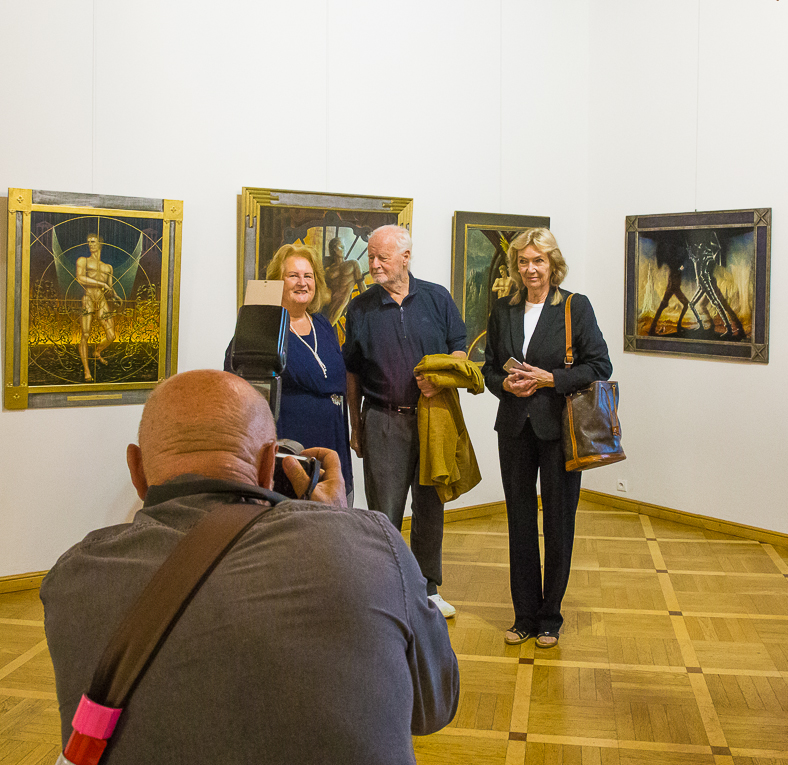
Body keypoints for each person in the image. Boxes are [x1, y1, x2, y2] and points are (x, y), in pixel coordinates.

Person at [41, 370, 459, 765]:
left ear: (137, 470)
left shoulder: (72, 578)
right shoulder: (373, 543)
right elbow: (433, 708)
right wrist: (338, 522)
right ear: (267, 466)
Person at [481, 228, 612, 648]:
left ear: (553, 263)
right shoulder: (503, 310)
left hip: (560, 430)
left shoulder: (576, 307)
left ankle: (550, 617)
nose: (530, 269)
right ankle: (524, 616)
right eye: (523, 262)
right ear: (515, 267)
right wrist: (506, 385)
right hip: (514, 428)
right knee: (519, 523)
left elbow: (600, 365)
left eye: (538, 261)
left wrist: (552, 378)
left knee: (558, 523)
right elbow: (487, 369)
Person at [343, 224, 467, 618]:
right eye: (370, 257)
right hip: (382, 420)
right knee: (384, 513)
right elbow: (352, 374)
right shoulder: (359, 308)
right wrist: (356, 425)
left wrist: (441, 380)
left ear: (406, 258)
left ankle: (428, 588)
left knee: (431, 505)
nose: (374, 265)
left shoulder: (437, 298)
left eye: (382, 257)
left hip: (433, 421)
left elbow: (460, 353)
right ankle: (388, 589)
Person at [229, 242, 355, 501]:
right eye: (293, 275)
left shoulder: (321, 323)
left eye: (308, 276)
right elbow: (240, 392)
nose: (302, 282)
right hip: (290, 448)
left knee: (333, 527)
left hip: (332, 440)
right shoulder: (261, 328)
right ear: (277, 281)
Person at [75, 233, 119, 381]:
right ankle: (87, 371)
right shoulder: (83, 261)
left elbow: (110, 287)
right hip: (88, 299)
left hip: (101, 301)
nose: (90, 244)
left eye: (93, 242)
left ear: (100, 243)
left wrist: (115, 296)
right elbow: (80, 278)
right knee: (85, 335)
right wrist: (101, 284)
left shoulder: (108, 267)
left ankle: (97, 351)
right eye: (89, 242)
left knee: (111, 336)